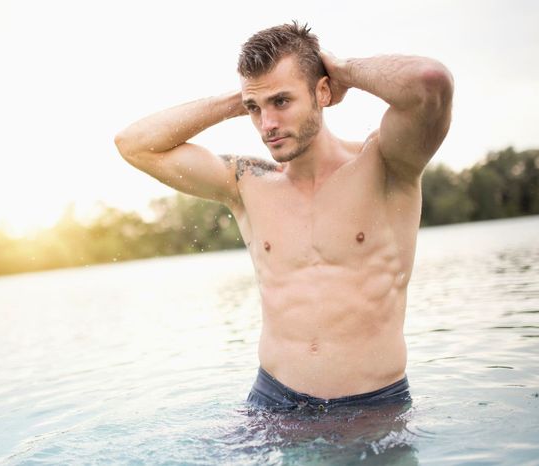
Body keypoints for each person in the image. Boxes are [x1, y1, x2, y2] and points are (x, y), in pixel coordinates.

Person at [114, 21, 453, 411]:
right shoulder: (246, 183)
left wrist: (341, 70)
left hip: (372, 408)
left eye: (281, 101)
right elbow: (134, 145)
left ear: (322, 92)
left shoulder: (385, 164)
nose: (267, 125)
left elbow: (430, 82)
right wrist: (236, 101)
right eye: (255, 109)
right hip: (272, 405)